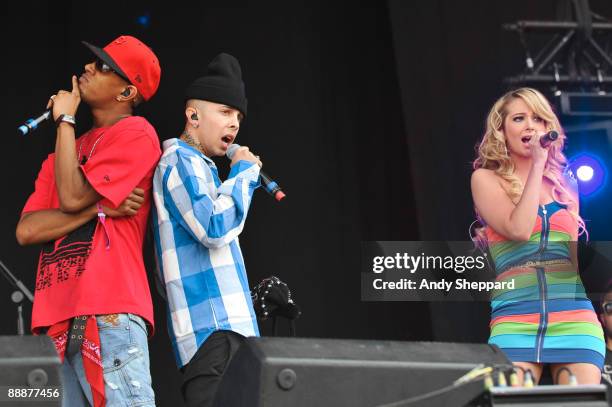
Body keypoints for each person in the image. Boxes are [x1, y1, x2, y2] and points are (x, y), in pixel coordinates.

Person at [16, 35, 162, 406]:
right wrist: (99, 210)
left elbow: (70, 196)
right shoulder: (60, 156)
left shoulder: (136, 133)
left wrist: (65, 118)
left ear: (127, 91)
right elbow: (27, 230)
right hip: (57, 323)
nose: (88, 68)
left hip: (110, 312)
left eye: (103, 66)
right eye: (92, 62)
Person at [471, 87, 605, 385]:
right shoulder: (485, 179)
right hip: (516, 317)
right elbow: (518, 229)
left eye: (538, 118)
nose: (531, 126)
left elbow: (570, 261)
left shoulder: (566, 184)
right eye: (519, 118)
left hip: (573, 318)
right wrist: (536, 167)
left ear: (548, 127)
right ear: (502, 132)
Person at [151, 53, 262, 407]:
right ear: (193, 114)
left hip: (230, 333)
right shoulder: (179, 160)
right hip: (213, 331)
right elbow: (213, 226)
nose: (234, 124)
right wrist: (244, 174)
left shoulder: (203, 169)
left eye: (239, 117)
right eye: (226, 112)